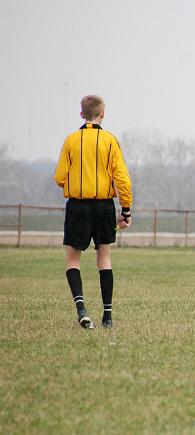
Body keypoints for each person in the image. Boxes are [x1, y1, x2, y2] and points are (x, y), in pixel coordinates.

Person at [54, 95, 132, 329]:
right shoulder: (110, 140)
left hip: (77, 205)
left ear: (81, 115)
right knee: (104, 257)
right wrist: (125, 210)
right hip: (104, 205)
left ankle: (81, 310)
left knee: (72, 260)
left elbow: (59, 177)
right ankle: (107, 316)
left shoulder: (71, 140)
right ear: (103, 114)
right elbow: (122, 179)